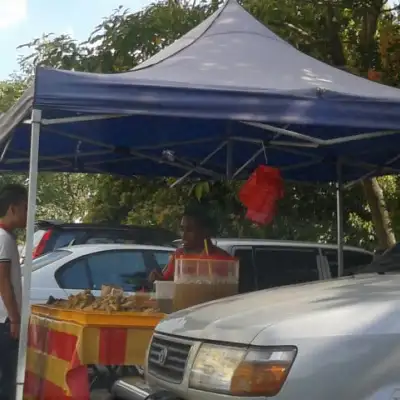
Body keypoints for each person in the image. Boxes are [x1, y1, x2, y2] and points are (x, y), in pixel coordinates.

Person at [149, 204, 230, 282]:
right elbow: (169, 284)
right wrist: (159, 280)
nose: (183, 235)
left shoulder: (221, 258)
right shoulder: (178, 255)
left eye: (189, 230)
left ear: (205, 232)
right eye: (182, 229)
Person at [0, 184, 28, 400]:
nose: (29, 214)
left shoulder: (6, 237)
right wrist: (15, 318)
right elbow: (2, 281)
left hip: (5, 319)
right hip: (5, 321)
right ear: (13, 209)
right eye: (26, 208)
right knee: (7, 379)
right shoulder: (3, 238)